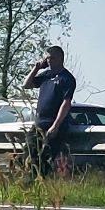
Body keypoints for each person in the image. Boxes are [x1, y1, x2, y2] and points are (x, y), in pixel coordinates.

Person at [22, 45, 76, 179]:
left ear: (59, 58)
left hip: (53, 125)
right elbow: (26, 85)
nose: (48, 61)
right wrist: (36, 68)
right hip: (39, 123)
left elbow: (66, 103)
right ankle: (30, 181)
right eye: (47, 58)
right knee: (29, 152)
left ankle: (40, 182)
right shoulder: (46, 75)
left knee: (44, 156)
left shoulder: (67, 78)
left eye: (50, 58)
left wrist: (55, 126)